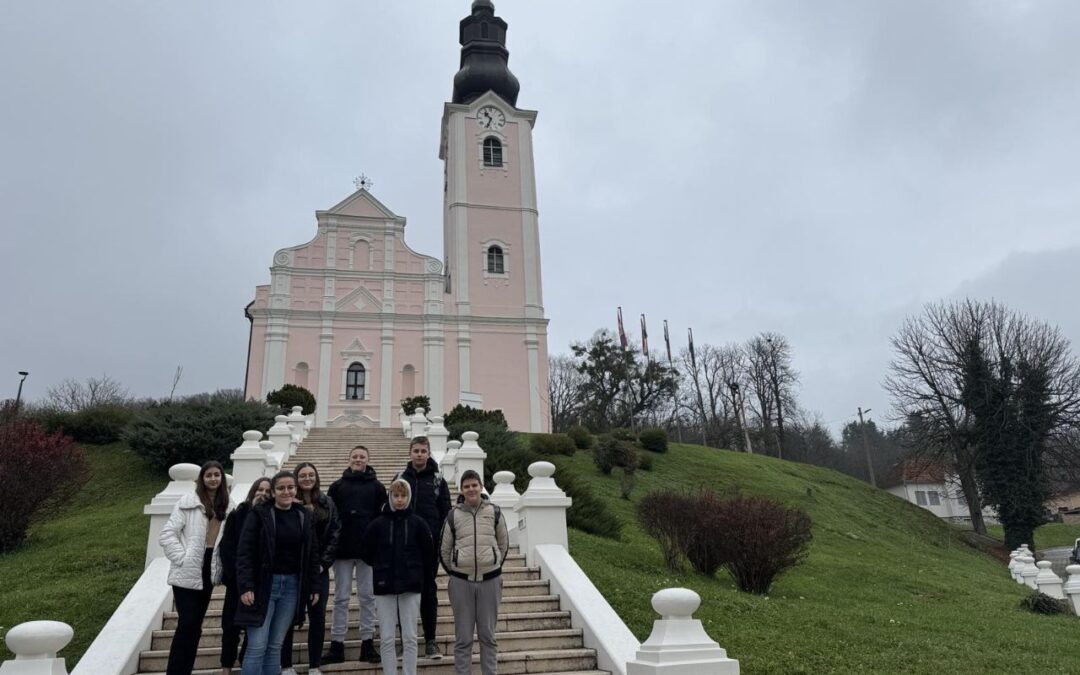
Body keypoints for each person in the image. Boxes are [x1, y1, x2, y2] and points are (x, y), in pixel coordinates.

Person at [235, 470, 321, 675]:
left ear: (296, 490)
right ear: (273, 492)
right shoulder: (259, 514)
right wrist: (246, 586)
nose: (286, 491)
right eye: (281, 488)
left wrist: (314, 585)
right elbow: (245, 551)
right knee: (257, 646)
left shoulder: (304, 515)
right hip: (263, 585)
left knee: (275, 646)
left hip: (291, 586)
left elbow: (312, 553)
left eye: (290, 487)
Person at [160, 460, 231, 675]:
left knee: (196, 624)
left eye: (217, 475)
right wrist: (182, 558)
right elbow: (167, 534)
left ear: (222, 478)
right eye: (208, 475)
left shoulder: (229, 505)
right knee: (187, 623)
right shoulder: (188, 501)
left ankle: (185, 669)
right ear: (202, 478)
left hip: (209, 569)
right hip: (187, 570)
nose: (213, 479)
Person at [361, 479, 435, 675]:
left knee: (410, 637)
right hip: (384, 586)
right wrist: (381, 567)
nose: (400, 500)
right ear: (390, 497)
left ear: (409, 497)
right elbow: (366, 552)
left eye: (403, 496)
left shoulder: (418, 523)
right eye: (396, 495)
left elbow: (428, 553)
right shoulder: (377, 524)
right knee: (386, 637)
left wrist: (416, 572)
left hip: (411, 586)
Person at [440, 470, 509, 675]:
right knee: (463, 639)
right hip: (461, 582)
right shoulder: (453, 515)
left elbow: (504, 544)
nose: (471, 489)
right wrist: (456, 570)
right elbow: (444, 549)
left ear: (481, 486)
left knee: (488, 636)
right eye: (467, 486)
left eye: (474, 485)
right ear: (461, 490)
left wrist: (494, 564)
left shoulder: (494, 512)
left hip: (490, 581)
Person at [324, 445, 386, 665]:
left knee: (368, 597)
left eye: (362, 457)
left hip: (368, 552)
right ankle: (337, 644)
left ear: (368, 460)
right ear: (348, 459)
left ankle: (367, 643)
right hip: (342, 551)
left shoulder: (378, 488)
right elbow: (330, 518)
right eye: (355, 456)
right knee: (340, 598)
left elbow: (382, 518)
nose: (358, 460)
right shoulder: (336, 487)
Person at [281, 462, 340, 675]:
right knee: (286, 616)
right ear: (296, 478)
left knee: (318, 616)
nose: (307, 478)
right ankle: (286, 665)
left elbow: (335, 533)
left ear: (316, 477)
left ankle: (315, 665)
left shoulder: (327, 502)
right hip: (292, 569)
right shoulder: (287, 502)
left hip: (318, 570)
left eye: (311, 475)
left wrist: (324, 564)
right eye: (303, 475)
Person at [395, 436, 450, 659]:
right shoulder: (399, 478)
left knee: (428, 592)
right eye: (416, 450)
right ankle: (403, 641)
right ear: (410, 453)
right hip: (403, 546)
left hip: (429, 547)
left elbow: (446, 512)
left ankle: (430, 641)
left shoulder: (438, 480)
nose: (419, 454)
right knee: (402, 592)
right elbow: (391, 507)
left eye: (423, 451)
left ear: (428, 453)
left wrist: (440, 541)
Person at [218, 477, 271, 675]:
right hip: (237, 583)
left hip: (262, 583)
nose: (263, 494)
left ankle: (245, 663)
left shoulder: (272, 516)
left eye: (267, 491)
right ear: (252, 491)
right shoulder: (238, 514)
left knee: (254, 628)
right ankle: (226, 667)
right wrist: (238, 579)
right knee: (230, 627)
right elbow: (227, 548)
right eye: (259, 490)